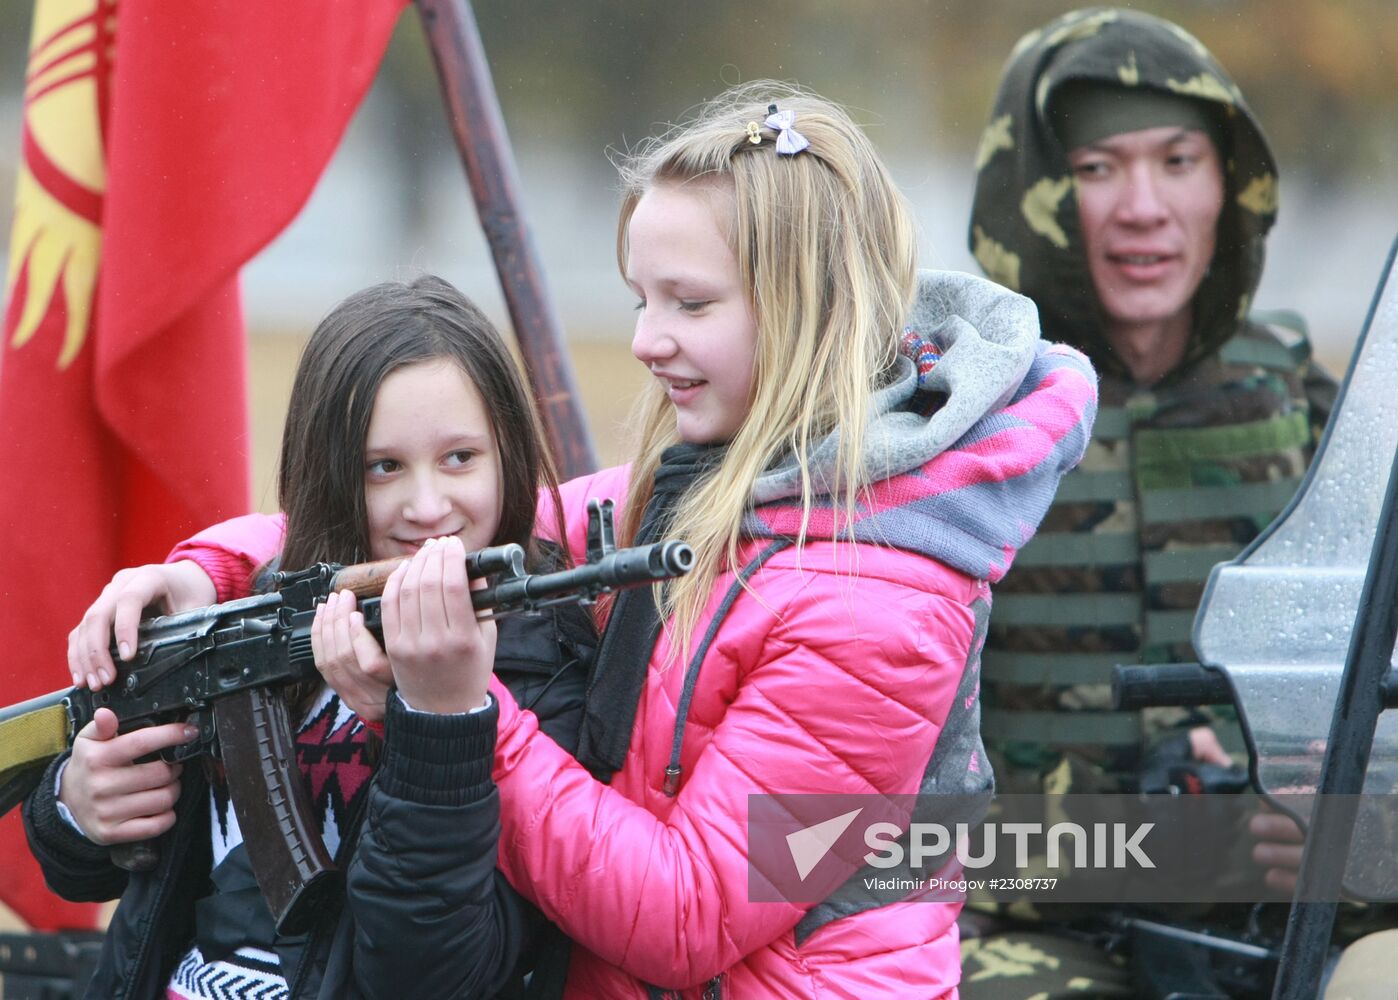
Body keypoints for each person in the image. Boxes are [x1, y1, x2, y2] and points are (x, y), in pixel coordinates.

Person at [64, 83, 1098, 997]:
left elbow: (686, 916)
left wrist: (463, 715)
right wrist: (209, 572)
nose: (648, 340)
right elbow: (464, 528)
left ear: (806, 310)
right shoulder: (720, 485)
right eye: (643, 299)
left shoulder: (880, 604)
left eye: (690, 304)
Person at [25, 276, 595, 999]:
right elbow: (87, 869)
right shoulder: (252, 600)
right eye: (383, 467)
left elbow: (433, 974)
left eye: (460, 458)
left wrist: (438, 726)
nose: (427, 506)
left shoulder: (543, 666)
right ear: (328, 475)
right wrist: (79, 807)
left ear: (509, 455)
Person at [958, 7, 1343, 996]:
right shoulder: (945, 422)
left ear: (1229, 183)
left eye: (1179, 160)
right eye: (1096, 169)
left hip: (1293, 914)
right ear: (1032, 189)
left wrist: (1346, 821)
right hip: (1020, 923)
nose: (1144, 207)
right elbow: (833, 810)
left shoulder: (1309, 408)